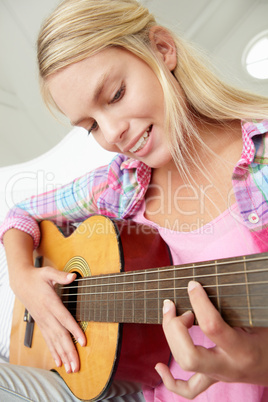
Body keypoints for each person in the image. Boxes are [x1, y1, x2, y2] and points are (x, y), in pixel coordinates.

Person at [0, 0, 268, 400]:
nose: (112, 135)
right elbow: (19, 214)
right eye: (90, 125)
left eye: (116, 94)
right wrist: (25, 280)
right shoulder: (120, 184)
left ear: (162, 49)